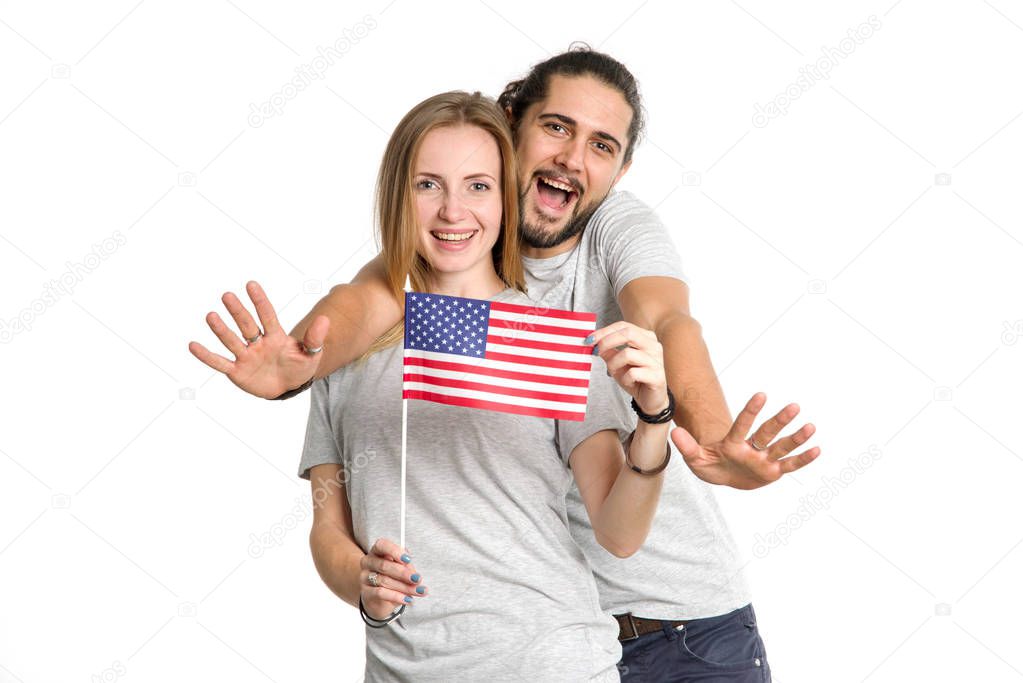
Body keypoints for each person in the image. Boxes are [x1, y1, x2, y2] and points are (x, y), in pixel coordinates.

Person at [190, 47, 820, 681]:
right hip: (532, 626)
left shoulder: (603, 246)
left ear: (621, 170)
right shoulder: (395, 304)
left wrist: (703, 434)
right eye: (556, 127)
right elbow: (363, 302)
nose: (573, 158)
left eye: (602, 146)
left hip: (683, 623)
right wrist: (298, 367)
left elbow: (666, 322)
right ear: (510, 125)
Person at [293, 90, 675, 681]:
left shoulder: (548, 340)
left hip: (552, 662)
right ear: (397, 194)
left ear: (504, 196)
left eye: (478, 185)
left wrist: (654, 419)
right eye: (428, 185)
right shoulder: (344, 347)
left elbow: (619, 534)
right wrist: (361, 583)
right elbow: (328, 526)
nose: (453, 211)